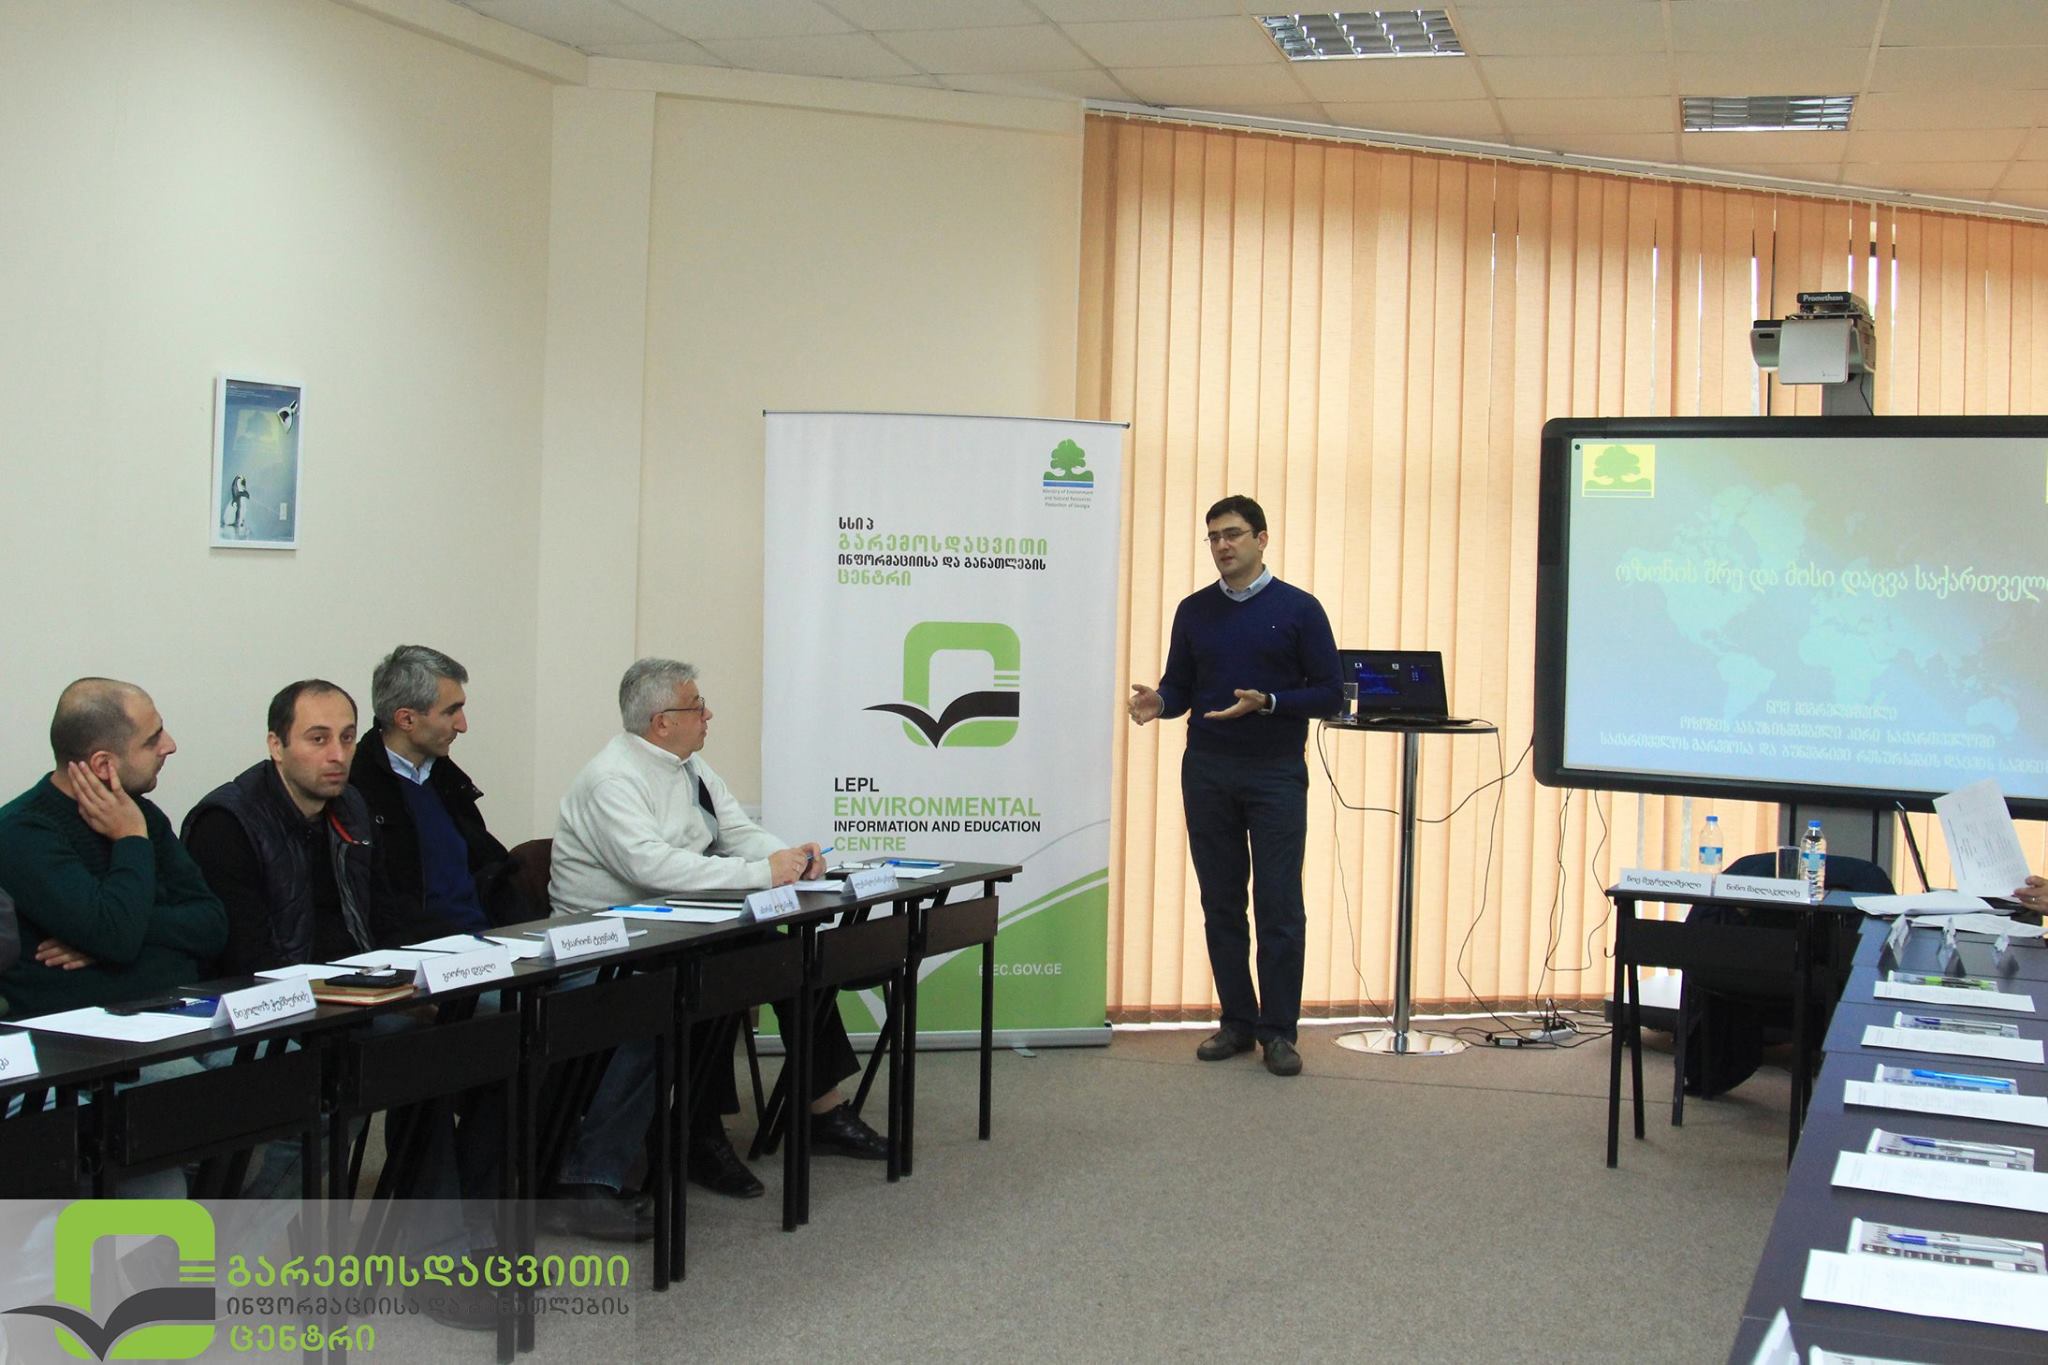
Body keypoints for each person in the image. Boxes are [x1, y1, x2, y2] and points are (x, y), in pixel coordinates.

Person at [548, 657, 887, 1219]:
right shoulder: (612, 779)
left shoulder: (690, 766)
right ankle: (695, 1135)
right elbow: (652, 867)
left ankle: (820, 1108)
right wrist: (760, 874)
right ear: (662, 721)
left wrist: (789, 858)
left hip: (681, 925)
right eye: (697, 706)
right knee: (714, 979)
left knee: (789, 956)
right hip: (615, 942)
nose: (708, 715)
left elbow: (736, 831)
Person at [1127, 495, 1341, 1077]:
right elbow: (1181, 685)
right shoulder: (1194, 610)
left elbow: (1330, 693)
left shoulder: (1299, 609)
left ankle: (1280, 1032)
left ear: (1261, 539)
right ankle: (1238, 1022)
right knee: (1221, 902)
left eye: (1233, 534)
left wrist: (1268, 701)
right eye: (1214, 537)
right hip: (1208, 770)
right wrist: (1160, 702)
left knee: (1279, 905)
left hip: (1275, 773)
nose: (1222, 545)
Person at [0, 678, 227, 1018]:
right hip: (83, 1035)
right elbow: (117, 938)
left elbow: (212, 927)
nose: (170, 746)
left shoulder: (143, 814)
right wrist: (130, 839)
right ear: (103, 764)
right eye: (152, 740)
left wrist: (114, 938)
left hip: (180, 1015)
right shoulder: (23, 832)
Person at [182, 680, 378, 974]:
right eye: (319, 739)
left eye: (347, 738)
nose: (338, 755)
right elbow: (244, 957)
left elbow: (383, 917)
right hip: (282, 992)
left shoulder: (352, 806)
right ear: (276, 746)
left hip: (361, 981)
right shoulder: (226, 823)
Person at [350, 644, 523, 942]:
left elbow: (489, 876)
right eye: (451, 711)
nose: (463, 725)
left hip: (490, 942)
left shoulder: (447, 780)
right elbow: (385, 910)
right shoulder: (356, 790)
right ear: (406, 720)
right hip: (430, 955)